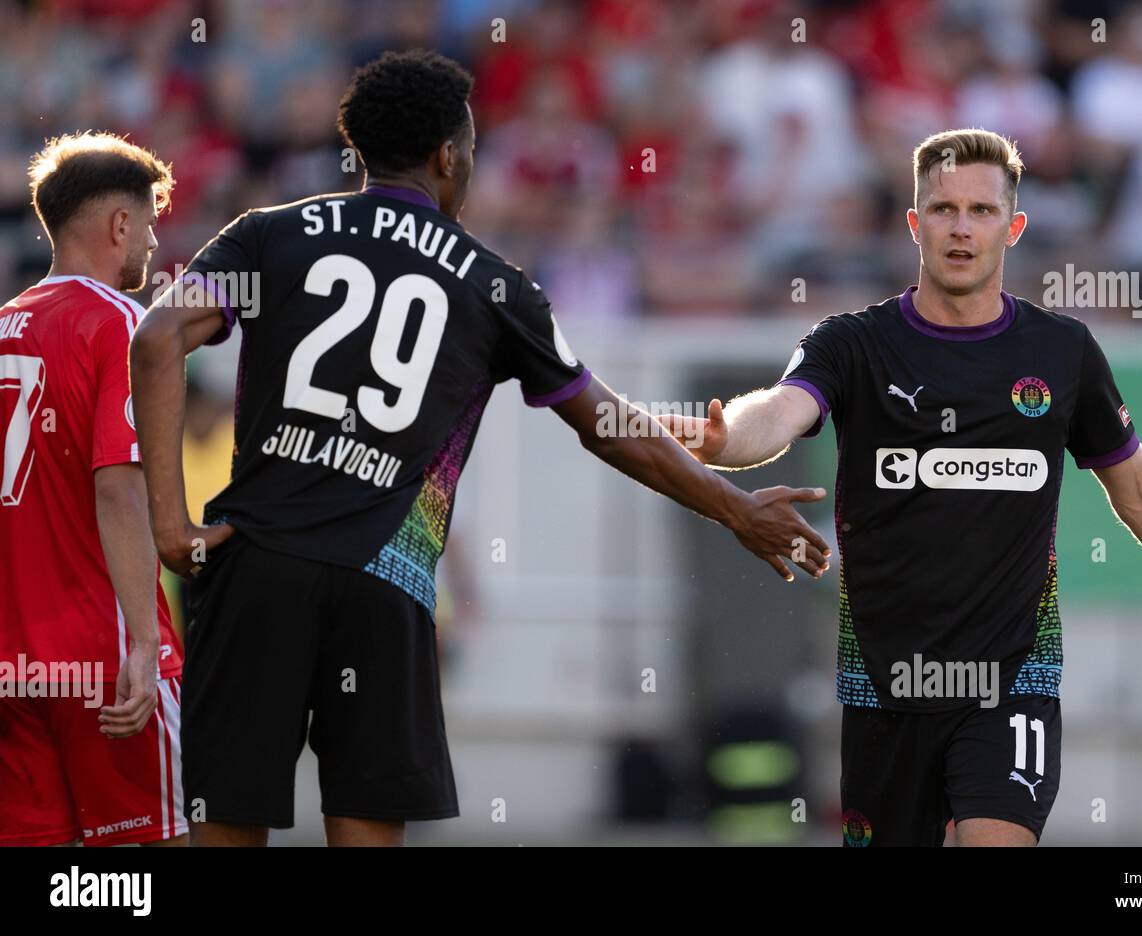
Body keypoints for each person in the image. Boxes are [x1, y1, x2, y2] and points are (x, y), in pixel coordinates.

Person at [129, 50, 830, 847]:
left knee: (225, 824)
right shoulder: (494, 283)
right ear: (448, 157)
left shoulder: (269, 235)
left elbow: (156, 340)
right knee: (363, 829)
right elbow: (604, 423)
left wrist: (169, 526)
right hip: (382, 583)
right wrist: (734, 506)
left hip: (254, 564)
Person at [660, 128, 1142, 847]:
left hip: (1012, 680)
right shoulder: (852, 343)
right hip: (886, 687)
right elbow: (782, 412)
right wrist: (728, 438)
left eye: (981, 211)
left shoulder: (1061, 351)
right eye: (943, 209)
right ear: (915, 225)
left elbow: (1136, 486)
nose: (962, 228)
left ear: (1013, 227)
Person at [0, 132, 186, 847]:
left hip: (15, 659)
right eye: (149, 223)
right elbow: (118, 487)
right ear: (119, 225)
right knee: (147, 853)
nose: (152, 240)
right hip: (102, 654)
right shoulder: (120, 325)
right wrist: (143, 641)